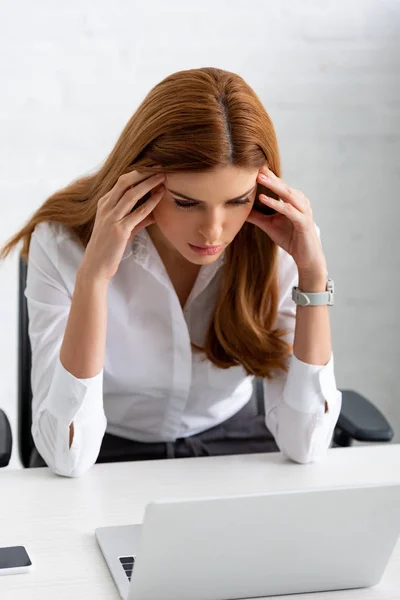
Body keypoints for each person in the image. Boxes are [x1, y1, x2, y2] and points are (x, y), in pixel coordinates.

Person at [0, 67, 342, 477]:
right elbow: (67, 458)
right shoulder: (62, 243)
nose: (214, 231)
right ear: (141, 180)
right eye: (186, 202)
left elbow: (306, 445)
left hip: (233, 447)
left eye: (238, 200)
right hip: (105, 452)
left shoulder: (281, 241)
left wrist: (312, 275)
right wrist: (93, 278)